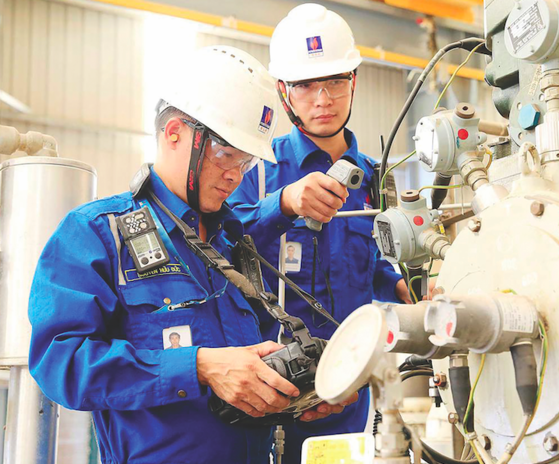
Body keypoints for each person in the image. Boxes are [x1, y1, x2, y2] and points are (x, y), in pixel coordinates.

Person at [28, 46, 353, 464]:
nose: (235, 175)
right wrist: (198, 366)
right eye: (226, 155)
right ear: (175, 133)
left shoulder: (233, 243)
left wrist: (297, 397)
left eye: (246, 161)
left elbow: (244, 376)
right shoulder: (96, 233)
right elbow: (60, 362)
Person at [228, 5, 411, 463]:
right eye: (306, 85)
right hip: (271, 388)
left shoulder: (376, 179)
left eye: (334, 81)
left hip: (349, 387)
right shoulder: (258, 169)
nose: (323, 99)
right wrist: (282, 204)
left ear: (354, 81)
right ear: (284, 92)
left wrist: (399, 285)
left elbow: (373, 267)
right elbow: (218, 246)